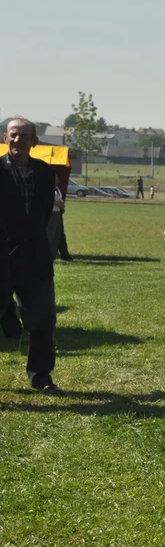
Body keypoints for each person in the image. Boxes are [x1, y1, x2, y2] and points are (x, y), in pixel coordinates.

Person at [0, 118, 62, 394]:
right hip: (2, 255)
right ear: (5, 137)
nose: (18, 140)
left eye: (24, 136)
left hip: (35, 257)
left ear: (34, 141)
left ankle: (41, 376)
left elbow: (45, 212)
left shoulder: (45, 173)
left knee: (42, 318)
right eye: (14, 135)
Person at [46, 184, 72, 261]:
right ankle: (48, 254)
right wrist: (59, 204)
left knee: (57, 235)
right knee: (50, 234)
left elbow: (61, 203)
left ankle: (53, 255)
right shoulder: (48, 189)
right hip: (52, 213)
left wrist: (61, 205)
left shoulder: (57, 189)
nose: (57, 181)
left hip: (58, 213)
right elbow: (54, 202)